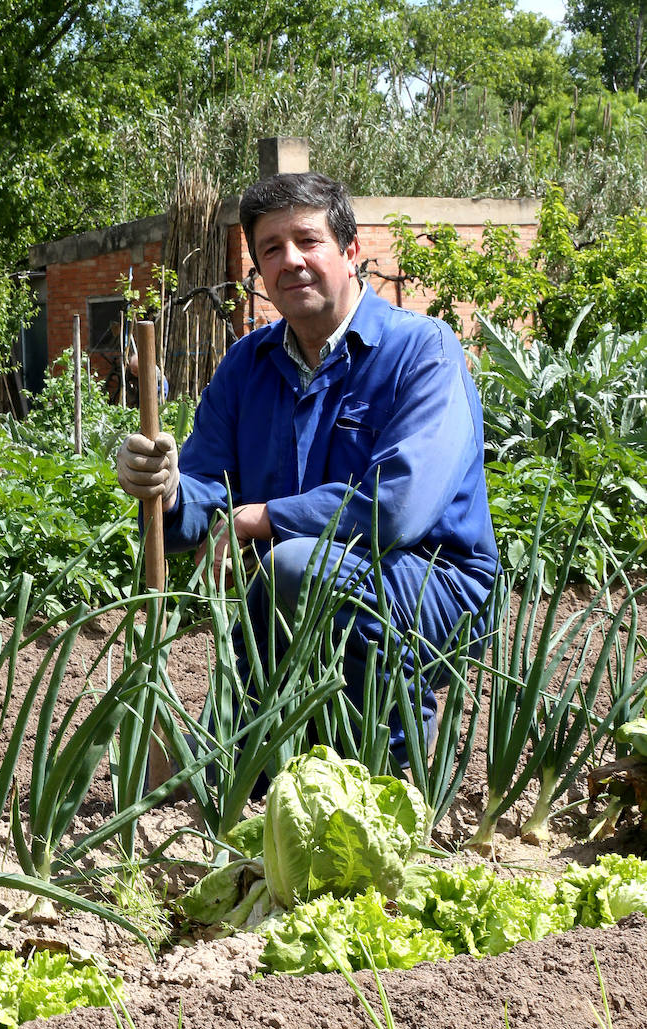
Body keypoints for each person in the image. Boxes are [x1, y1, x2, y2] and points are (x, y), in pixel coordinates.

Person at [115, 172, 499, 764]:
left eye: (307, 241)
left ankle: (396, 758)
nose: (290, 260)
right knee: (225, 771)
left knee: (294, 563)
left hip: (431, 583)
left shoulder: (424, 350)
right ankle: (275, 742)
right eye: (271, 248)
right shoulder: (248, 364)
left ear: (350, 253)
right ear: (259, 271)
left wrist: (263, 517)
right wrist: (163, 489)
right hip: (291, 594)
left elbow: (398, 507)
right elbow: (201, 493)